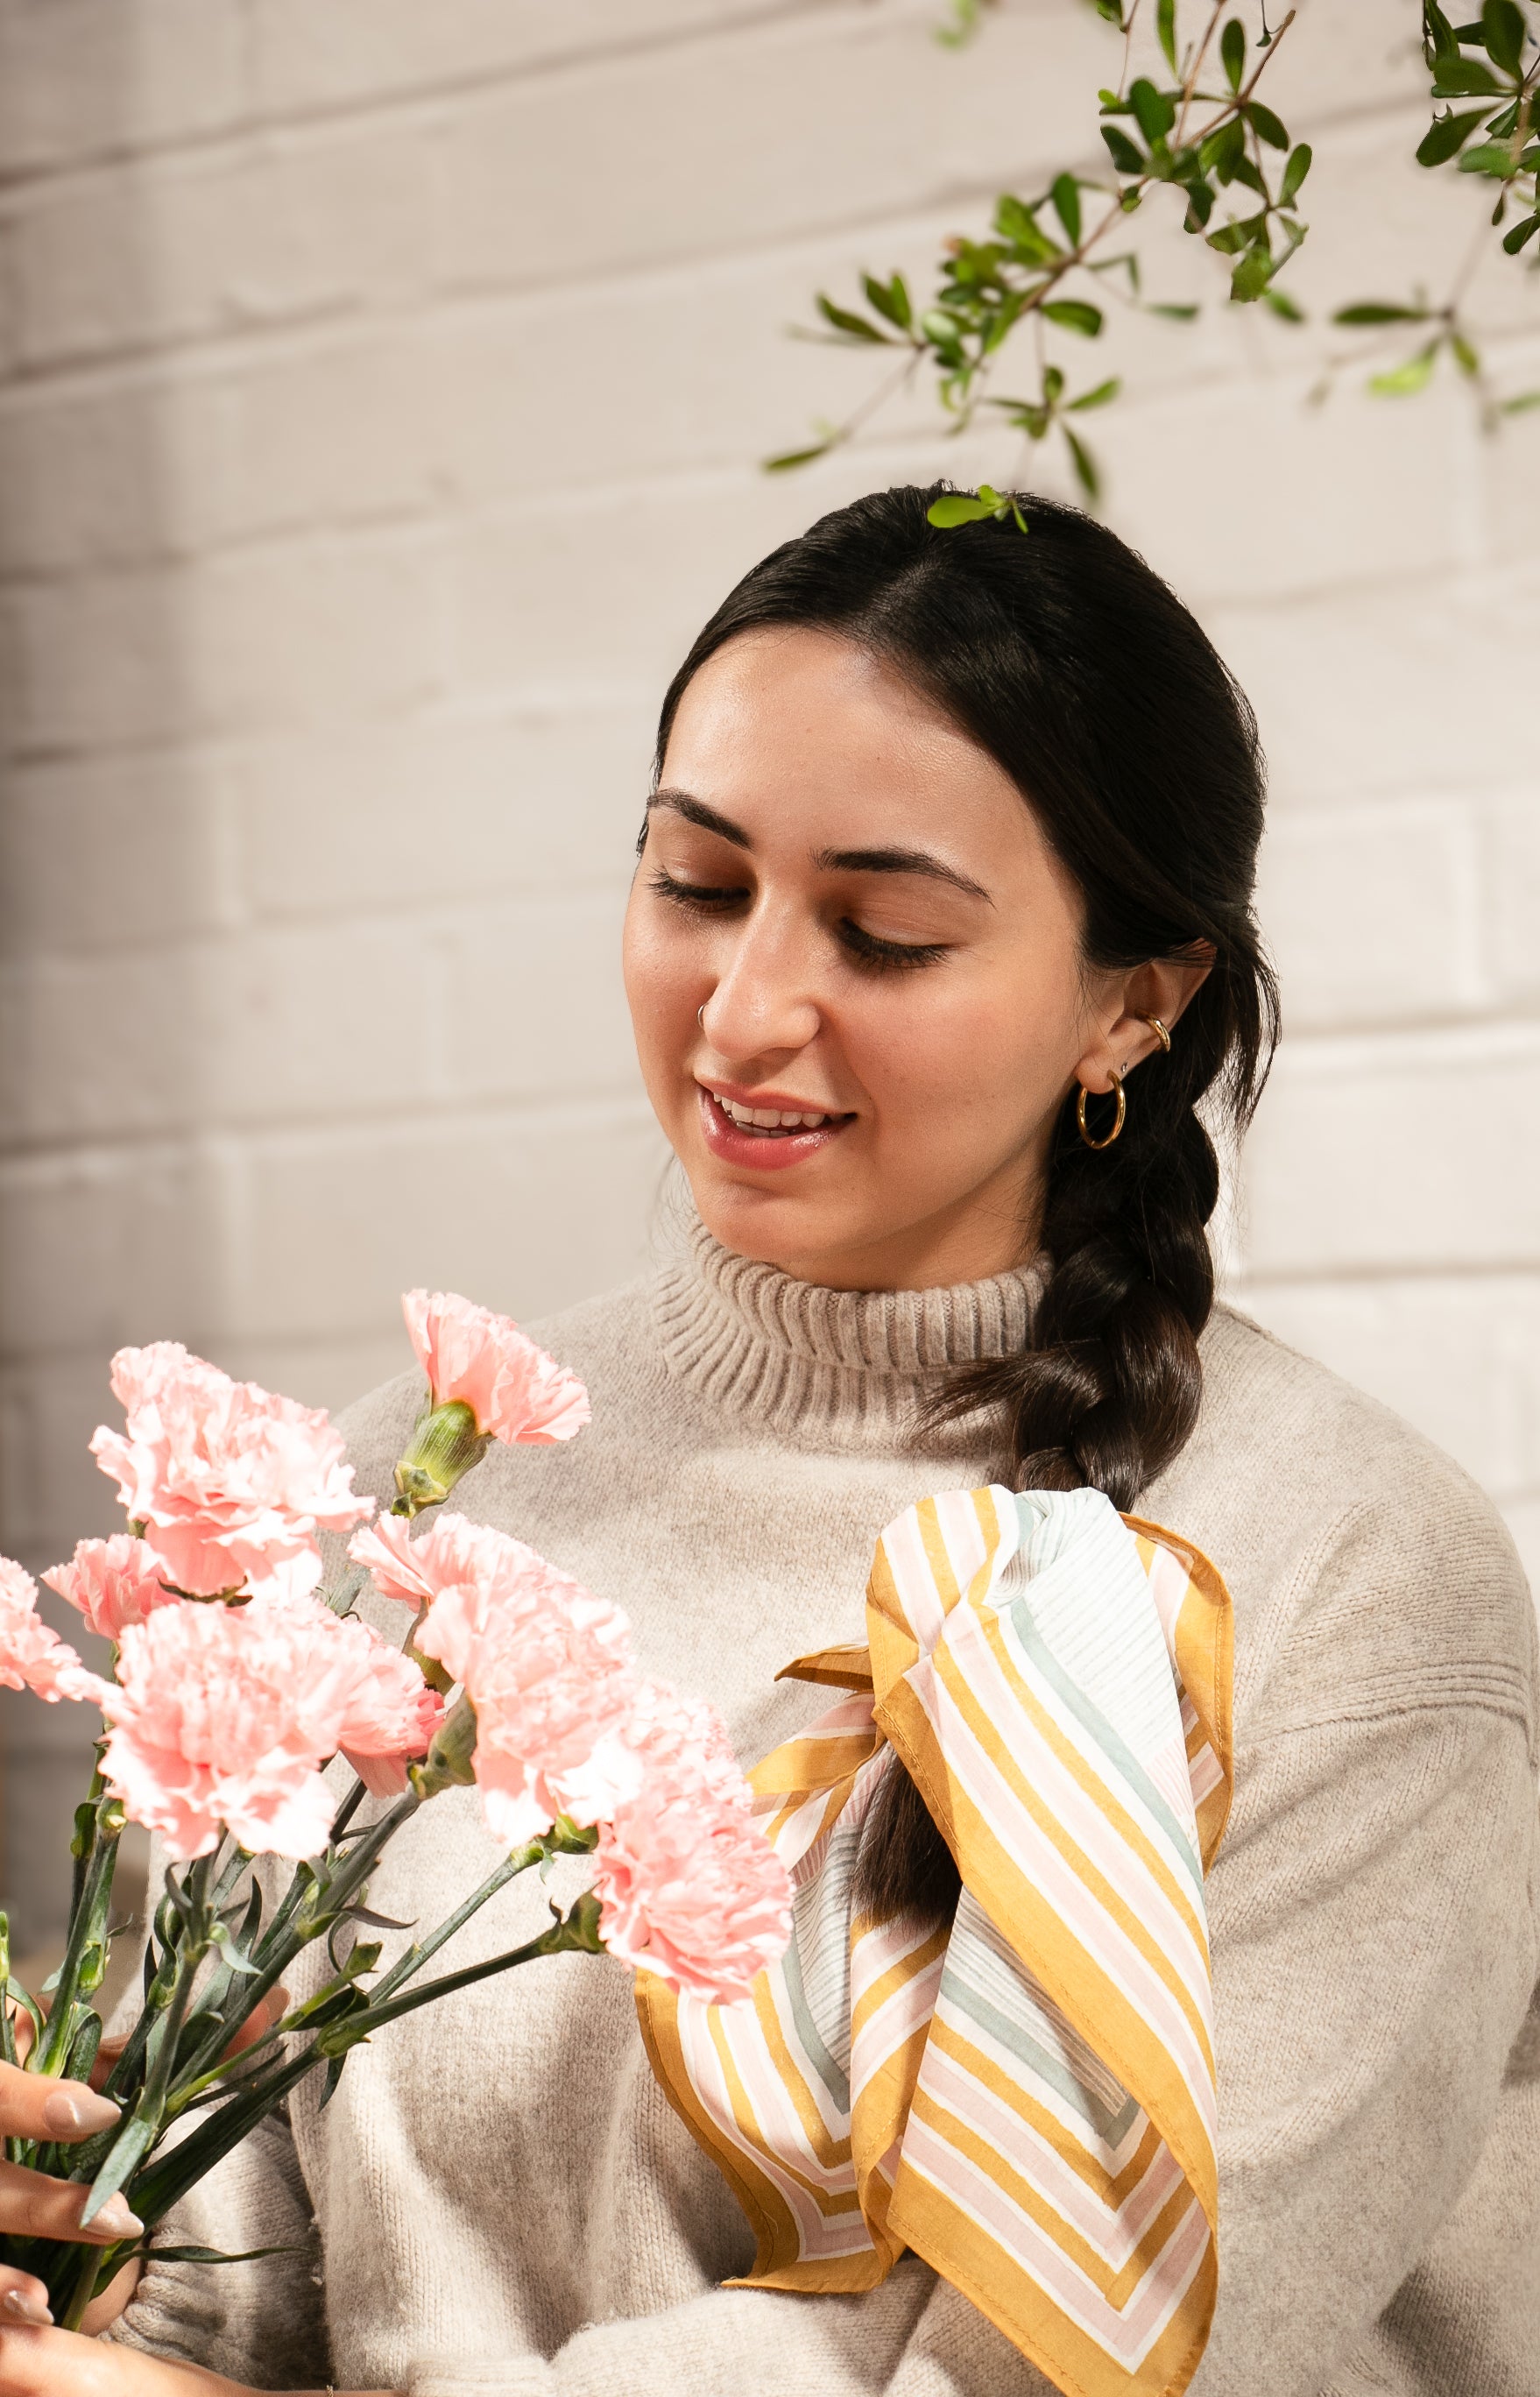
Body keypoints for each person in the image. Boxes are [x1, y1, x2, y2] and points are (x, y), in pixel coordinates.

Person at [0, 486, 1533, 2397]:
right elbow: (223, 2283)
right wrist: (70, 2257)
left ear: (1133, 1006)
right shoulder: (423, 1487)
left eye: (883, 936)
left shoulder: (1347, 1581)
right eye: (696, 884)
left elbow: (1061, 2369)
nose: (741, 1013)